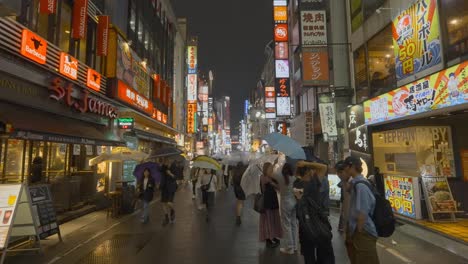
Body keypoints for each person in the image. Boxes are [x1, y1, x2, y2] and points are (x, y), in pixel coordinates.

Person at [294, 161, 335, 264]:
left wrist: (303, 167)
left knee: (308, 255)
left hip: (305, 225)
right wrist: (306, 163)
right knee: (324, 254)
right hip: (318, 222)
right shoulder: (313, 183)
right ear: (308, 172)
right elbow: (324, 167)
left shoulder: (296, 184)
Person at [344, 156, 379, 264]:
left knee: (366, 260)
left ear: (352, 167)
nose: (344, 169)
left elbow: (363, 212)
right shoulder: (355, 183)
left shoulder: (361, 185)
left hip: (364, 231)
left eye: (346, 167)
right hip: (359, 230)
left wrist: (359, 230)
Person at [259, 162, 282, 248]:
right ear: (266, 169)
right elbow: (264, 188)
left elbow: (279, 188)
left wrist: (274, 182)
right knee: (267, 220)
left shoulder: (273, 178)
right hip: (266, 201)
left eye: (272, 168)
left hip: (273, 200)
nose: (271, 170)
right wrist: (271, 182)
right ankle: (268, 238)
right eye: (270, 168)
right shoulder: (263, 178)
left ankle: (274, 236)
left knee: (274, 219)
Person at [276, 163, 298, 255]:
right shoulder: (294, 178)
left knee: (286, 225)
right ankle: (295, 246)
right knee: (293, 224)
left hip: (285, 203)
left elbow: (274, 174)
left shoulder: (280, 177)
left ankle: (289, 247)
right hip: (294, 202)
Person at [160, 159, 178, 225]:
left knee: (169, 203)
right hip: (164, 187)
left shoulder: (174, 167)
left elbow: (176, 177)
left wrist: (170, 173)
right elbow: (159, 172)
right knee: (163, 203)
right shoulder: (163, 167)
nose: (166, 161)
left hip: (171, 187)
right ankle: (166, 216)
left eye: (168, 160)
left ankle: (172, 211)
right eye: (165, 160)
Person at [337, 161, 351, 233]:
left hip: (354, 224)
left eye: (340, 173)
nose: (338, 176)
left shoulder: (352, 183)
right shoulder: (345, 182)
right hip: (349, 222)